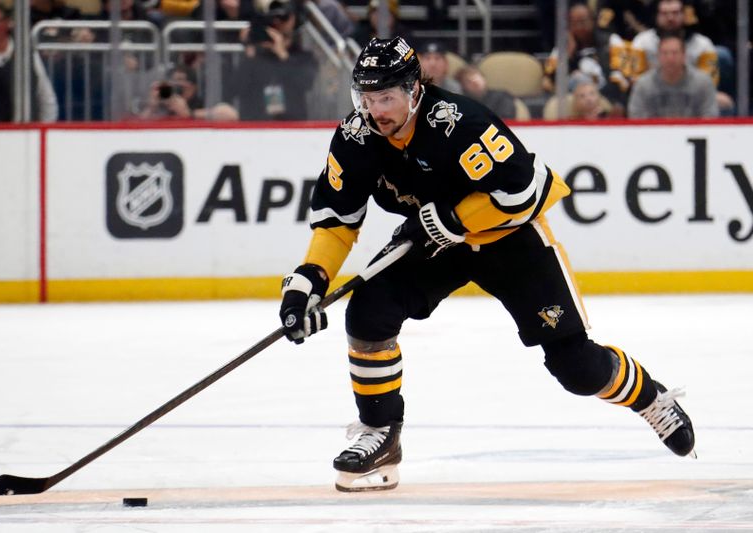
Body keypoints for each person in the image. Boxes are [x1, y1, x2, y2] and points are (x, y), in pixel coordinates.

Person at [278, 36, 696, 492]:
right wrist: (308, 281)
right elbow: (338, 220)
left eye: (387, 97)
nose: (376, 110)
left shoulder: (461, 123)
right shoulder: (357, 137)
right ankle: (381, 433)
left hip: (509, 239)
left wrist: (453, 218)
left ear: (415, 90)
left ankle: (650, 397)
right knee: (368, 311)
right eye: (367, 98)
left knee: (576, 368)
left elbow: (524, 192)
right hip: (435, 242)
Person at [228, 0, 317, 121]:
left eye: (283, 18)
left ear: (293, 19)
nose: (278, 22)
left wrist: (283, 55)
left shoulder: (303, 57)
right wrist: (249, 54)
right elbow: (234, 88)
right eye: (272, 18)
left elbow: (306, 83)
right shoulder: (256, 56)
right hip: (256, 125)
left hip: (293, 125)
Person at [627, 31, 717, 118]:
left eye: (675, 53)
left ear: (684, 55)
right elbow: (636, 117)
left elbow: (710, 116)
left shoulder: (703, 83)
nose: (670, 58)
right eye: (665, 53)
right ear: (658, 56)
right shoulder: (643, 84)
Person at [136, 63, 238, 120]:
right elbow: (139, 123)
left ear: (193, 87)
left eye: (181, 81)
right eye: (173, 81)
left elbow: (231, 115)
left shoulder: (200, 103)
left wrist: (190, 114)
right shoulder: (163, 104)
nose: (176, 85)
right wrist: (152, 105)